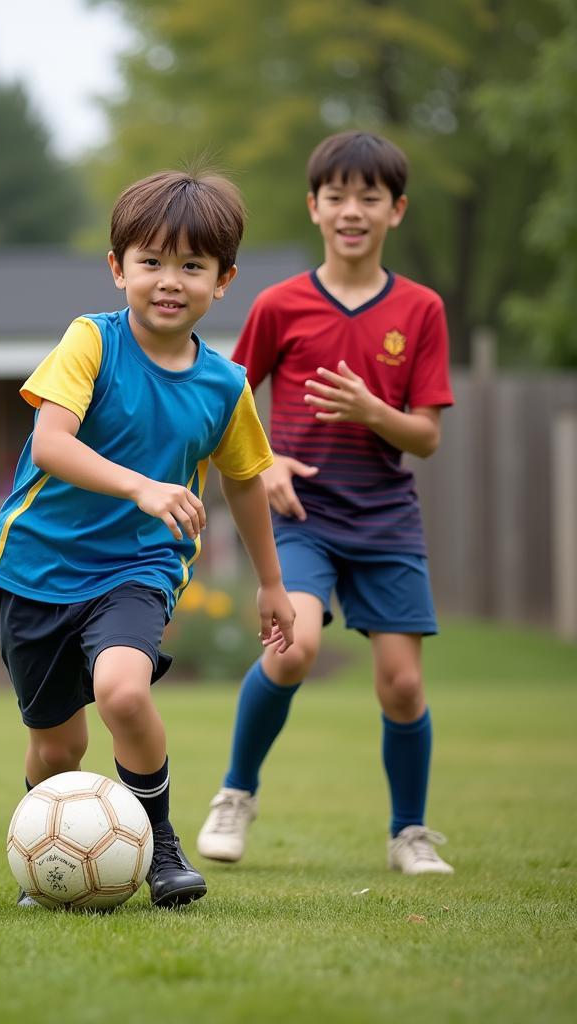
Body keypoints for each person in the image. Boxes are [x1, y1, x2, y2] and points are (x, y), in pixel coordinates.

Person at [0, 169, 296, 909]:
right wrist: (143, 485)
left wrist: (272, 582)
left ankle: (160, 846)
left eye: (193, 265)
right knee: (58, 748)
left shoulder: (226, 387)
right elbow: (51, 443)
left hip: (137, 568)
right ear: (118, 267)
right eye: (151, 261)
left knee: (121, 692)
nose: (169, 280)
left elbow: (247, 479)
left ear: (224, 281)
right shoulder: (91, 341)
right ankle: (50, 860)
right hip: (33, 570)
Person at [196, 131, 456, 875]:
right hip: (301, 517)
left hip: (386, 518)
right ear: (314, 206)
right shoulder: (280, 305)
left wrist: (374, 411)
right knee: (295, 647)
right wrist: (267, 461)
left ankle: (409, 833)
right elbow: (224, 405)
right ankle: (235, 795)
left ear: (395, 210)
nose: (352, 210)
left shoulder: (422, 308)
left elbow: (428, 438)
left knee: (403, 684)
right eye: (336, 195)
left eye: (369, 197)